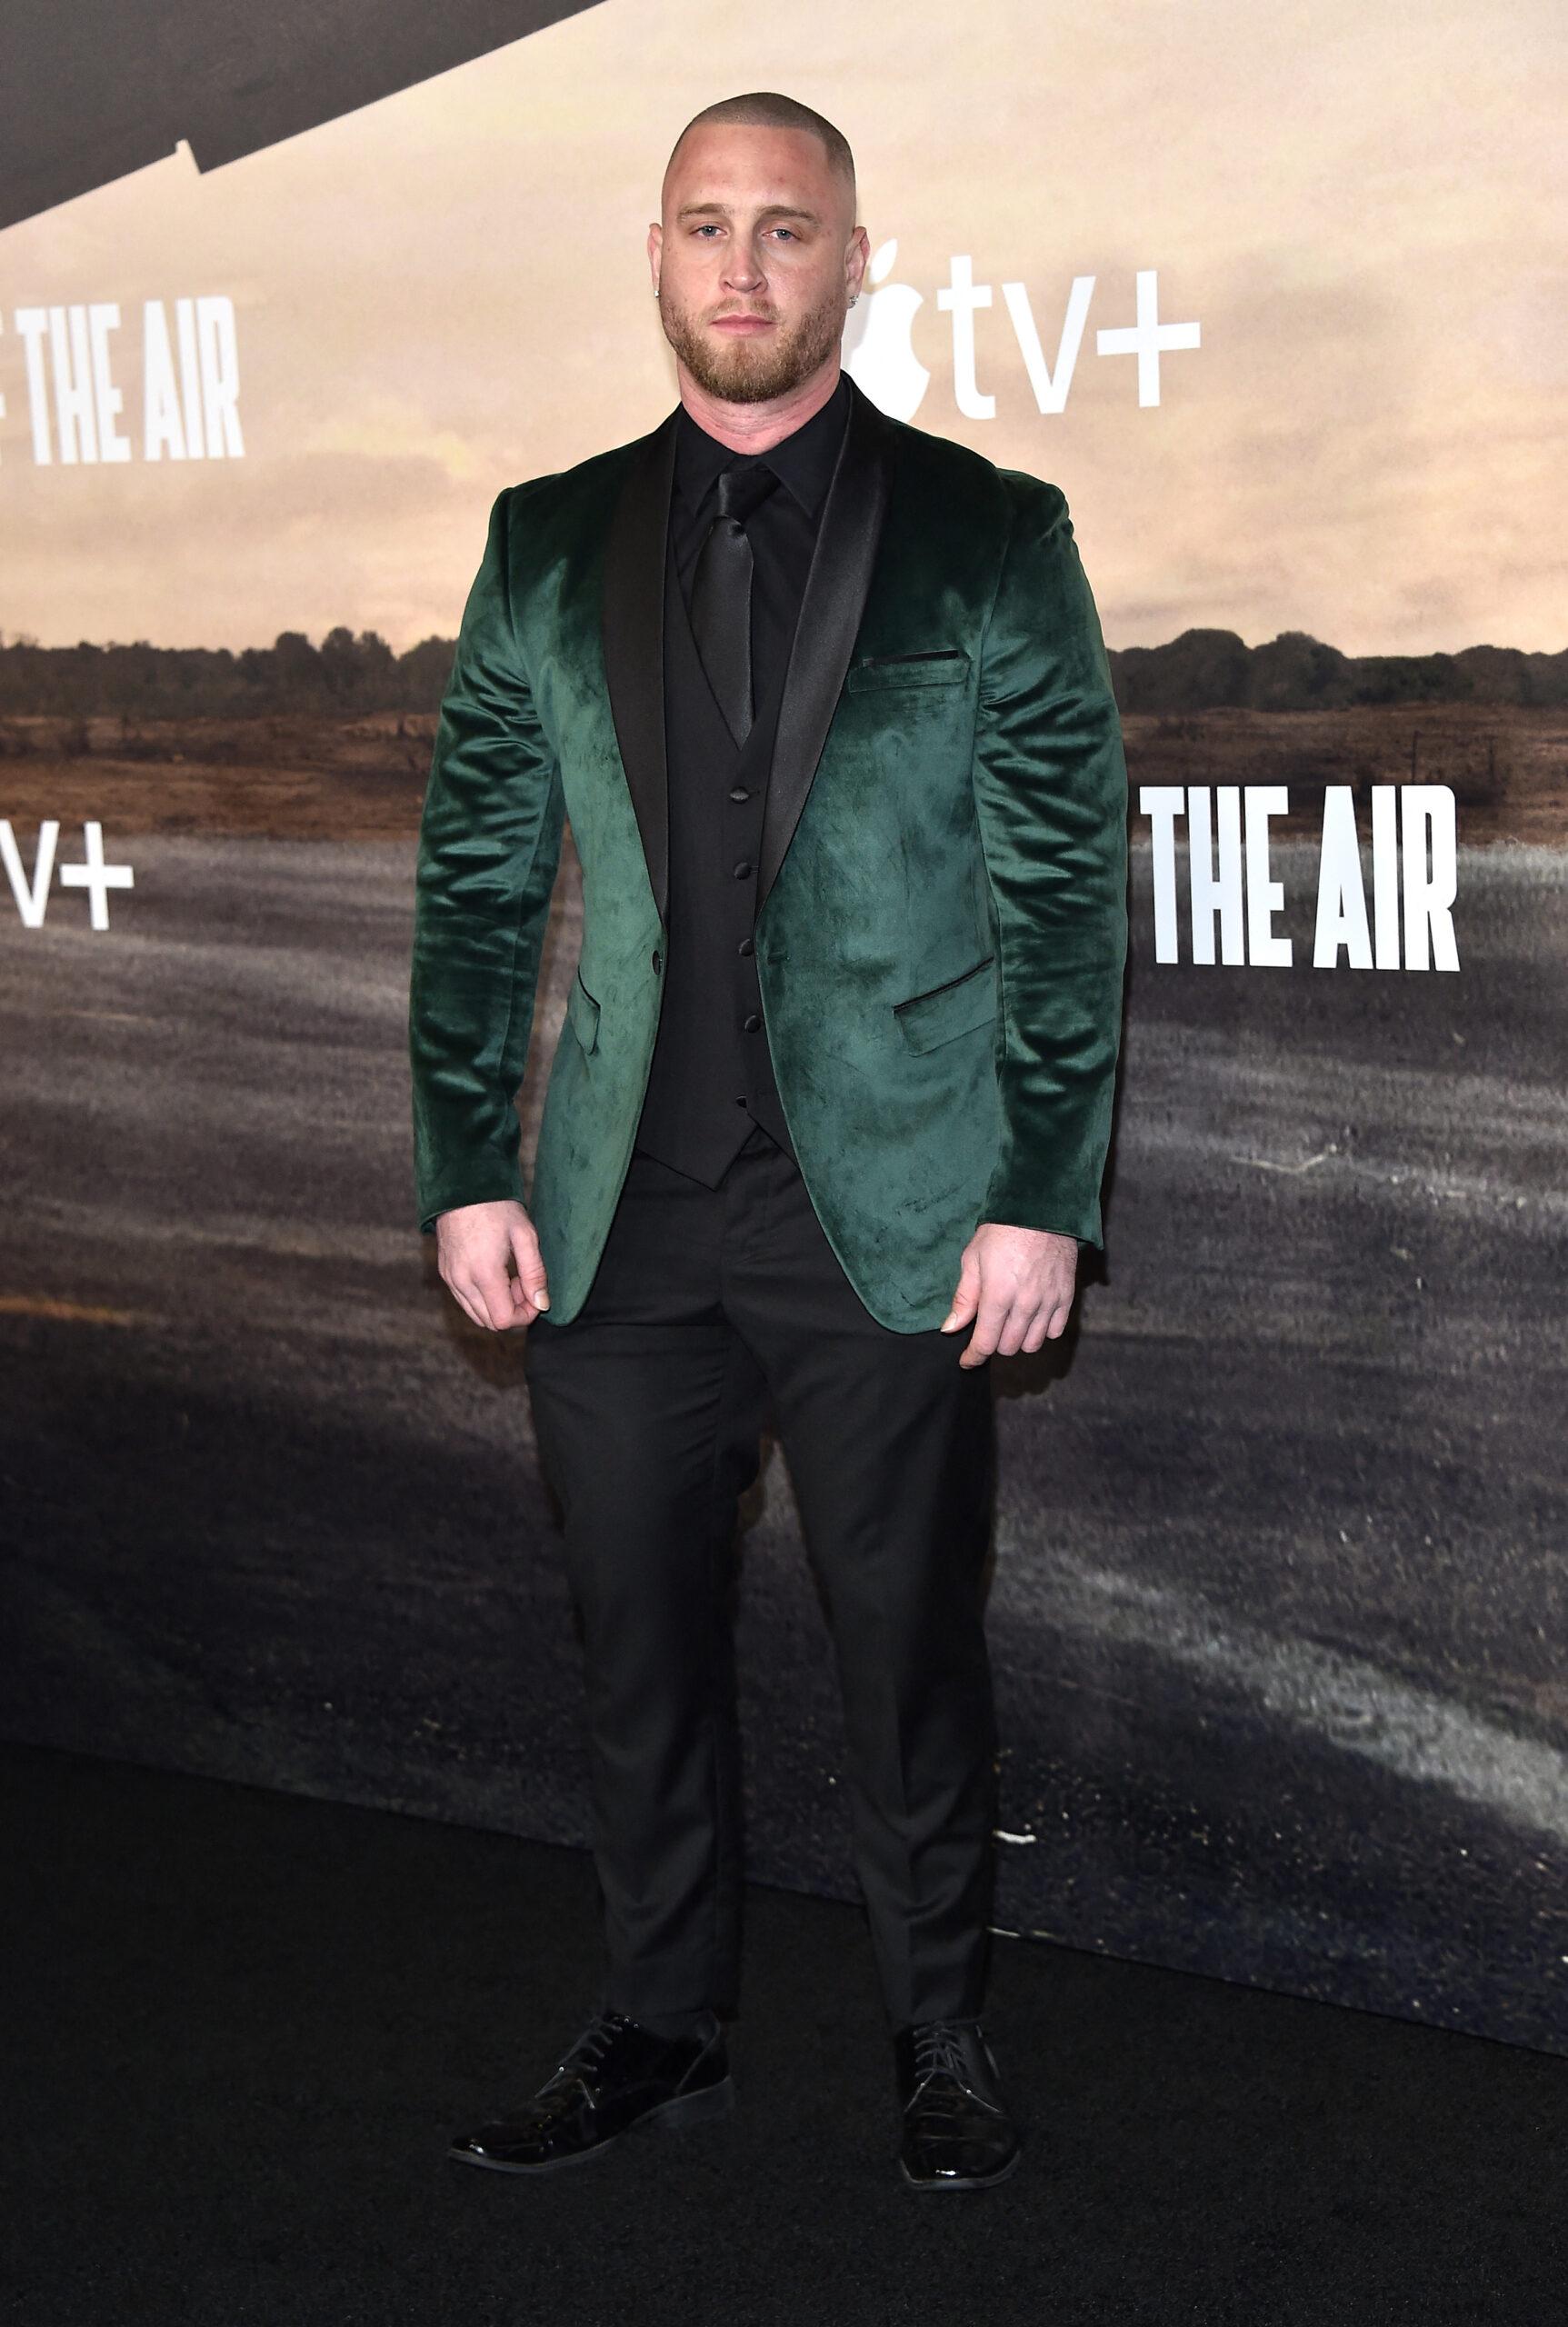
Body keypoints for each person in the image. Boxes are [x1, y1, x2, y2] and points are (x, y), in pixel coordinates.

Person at [407, 89, 1128, 2192]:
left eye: (784, 229)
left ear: (851, 259)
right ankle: (657, 2019)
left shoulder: (991, 530)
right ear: (653, 256)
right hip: (615, 1221)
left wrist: (1036, 1187)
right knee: (635, 1646)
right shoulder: (542, 541)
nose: (742, 266)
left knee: (904, 1655)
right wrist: (466, 1151)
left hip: (894, 1212)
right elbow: (473, 877)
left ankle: (938, 2037)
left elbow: (1064, 888)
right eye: (705, 227)